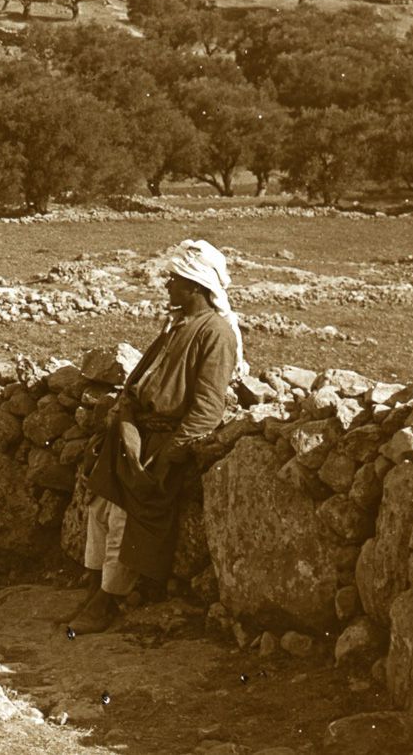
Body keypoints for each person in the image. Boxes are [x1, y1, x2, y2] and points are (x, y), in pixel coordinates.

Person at [70, 239, 245, 635]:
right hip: (137, 434)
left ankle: (108, 600)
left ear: (195, 286)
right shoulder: (177, 325)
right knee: (100, 506)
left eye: (174, 280)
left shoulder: (214, 332)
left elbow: (207, 406)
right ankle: (95, 583)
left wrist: (169, 454)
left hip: (160, 443)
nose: (167, 285)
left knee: (123, 517)